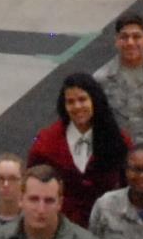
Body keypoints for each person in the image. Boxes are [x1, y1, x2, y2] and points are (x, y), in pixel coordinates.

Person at [30, 71, 128, 227]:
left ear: (94, 100)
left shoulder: (118, 140)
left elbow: (126, 186)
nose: (77, 107)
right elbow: (32, 187)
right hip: (60, 229)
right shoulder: (45, 144)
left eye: (82, 99)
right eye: (70, 102)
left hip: (108, 226)